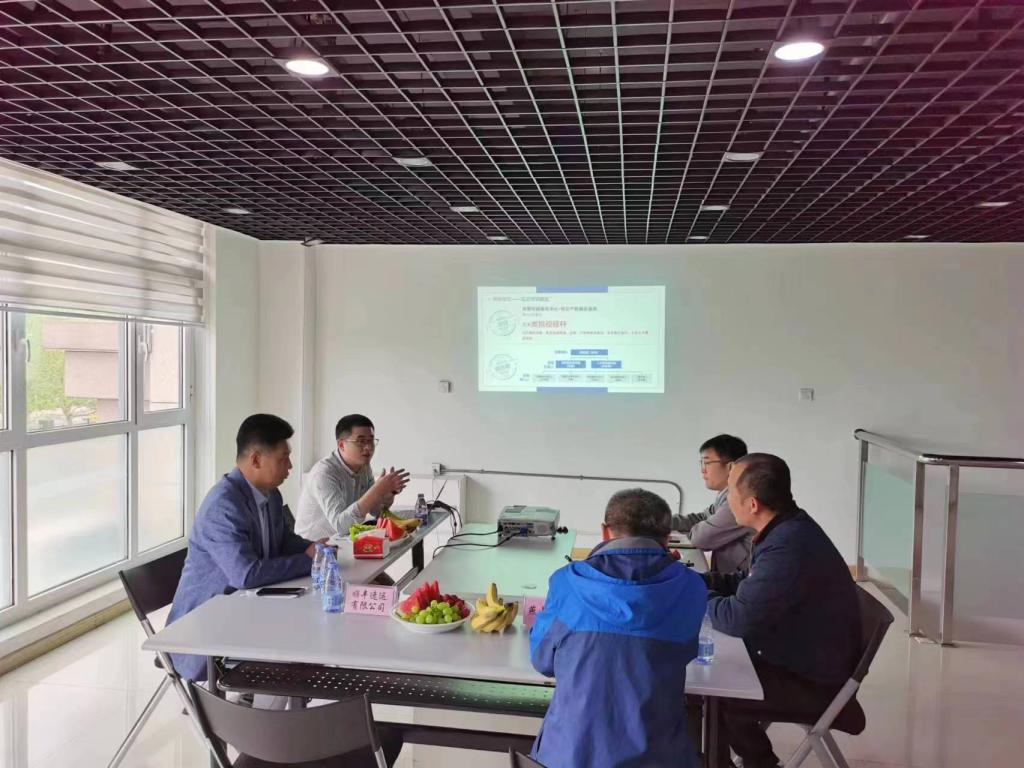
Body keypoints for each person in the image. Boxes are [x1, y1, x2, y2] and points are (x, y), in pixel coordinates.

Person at [529, 488, 708, 768]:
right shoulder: (691, 587)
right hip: (657, 756)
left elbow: (542, 661)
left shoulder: (566, 582)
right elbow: (681, 652)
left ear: (605, 531)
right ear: (668, 537)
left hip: (570, 755)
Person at [705, 454, 861, 768]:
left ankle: (757, 762)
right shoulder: (785, 527)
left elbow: (738, 619)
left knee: (710, 694)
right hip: (799, 659)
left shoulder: (788, 545)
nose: (726, 499)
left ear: (752, 504)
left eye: (730, 492)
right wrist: (695, 581)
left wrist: (689, 596)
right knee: (713, 680)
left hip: (811, 680)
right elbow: (745, 583)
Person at [167, 414, 326, 682]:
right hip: (205, 626)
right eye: (283, 458)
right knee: (295, 645)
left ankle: (271, 702)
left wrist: (314, 549)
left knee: (310, 630)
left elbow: (283, 541)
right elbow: (246, 574)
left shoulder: (271, 494)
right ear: (255, 459)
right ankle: (262, 705)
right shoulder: (223, 505)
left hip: (248, 609)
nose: (290, 466)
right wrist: (308, 561)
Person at [295, 414, 409, 541]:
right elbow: (341, 526)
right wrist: (377, 490)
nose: (368, 447)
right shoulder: (324, 473)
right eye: (361, 441)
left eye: (370, 440)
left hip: (344, 540)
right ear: (341, 445)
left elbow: (376, 511)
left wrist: (388, 495)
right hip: (314, 547)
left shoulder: (364, 466)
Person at [673, 434, 752, 573]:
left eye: (707, 463)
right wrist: (659, 521)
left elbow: (702, 538)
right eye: (701, 463)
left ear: (730, 467)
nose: (703, 470)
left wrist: (696, 530)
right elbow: (702, 518)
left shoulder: (740, 499)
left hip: (743, 579)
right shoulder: (725, 494)